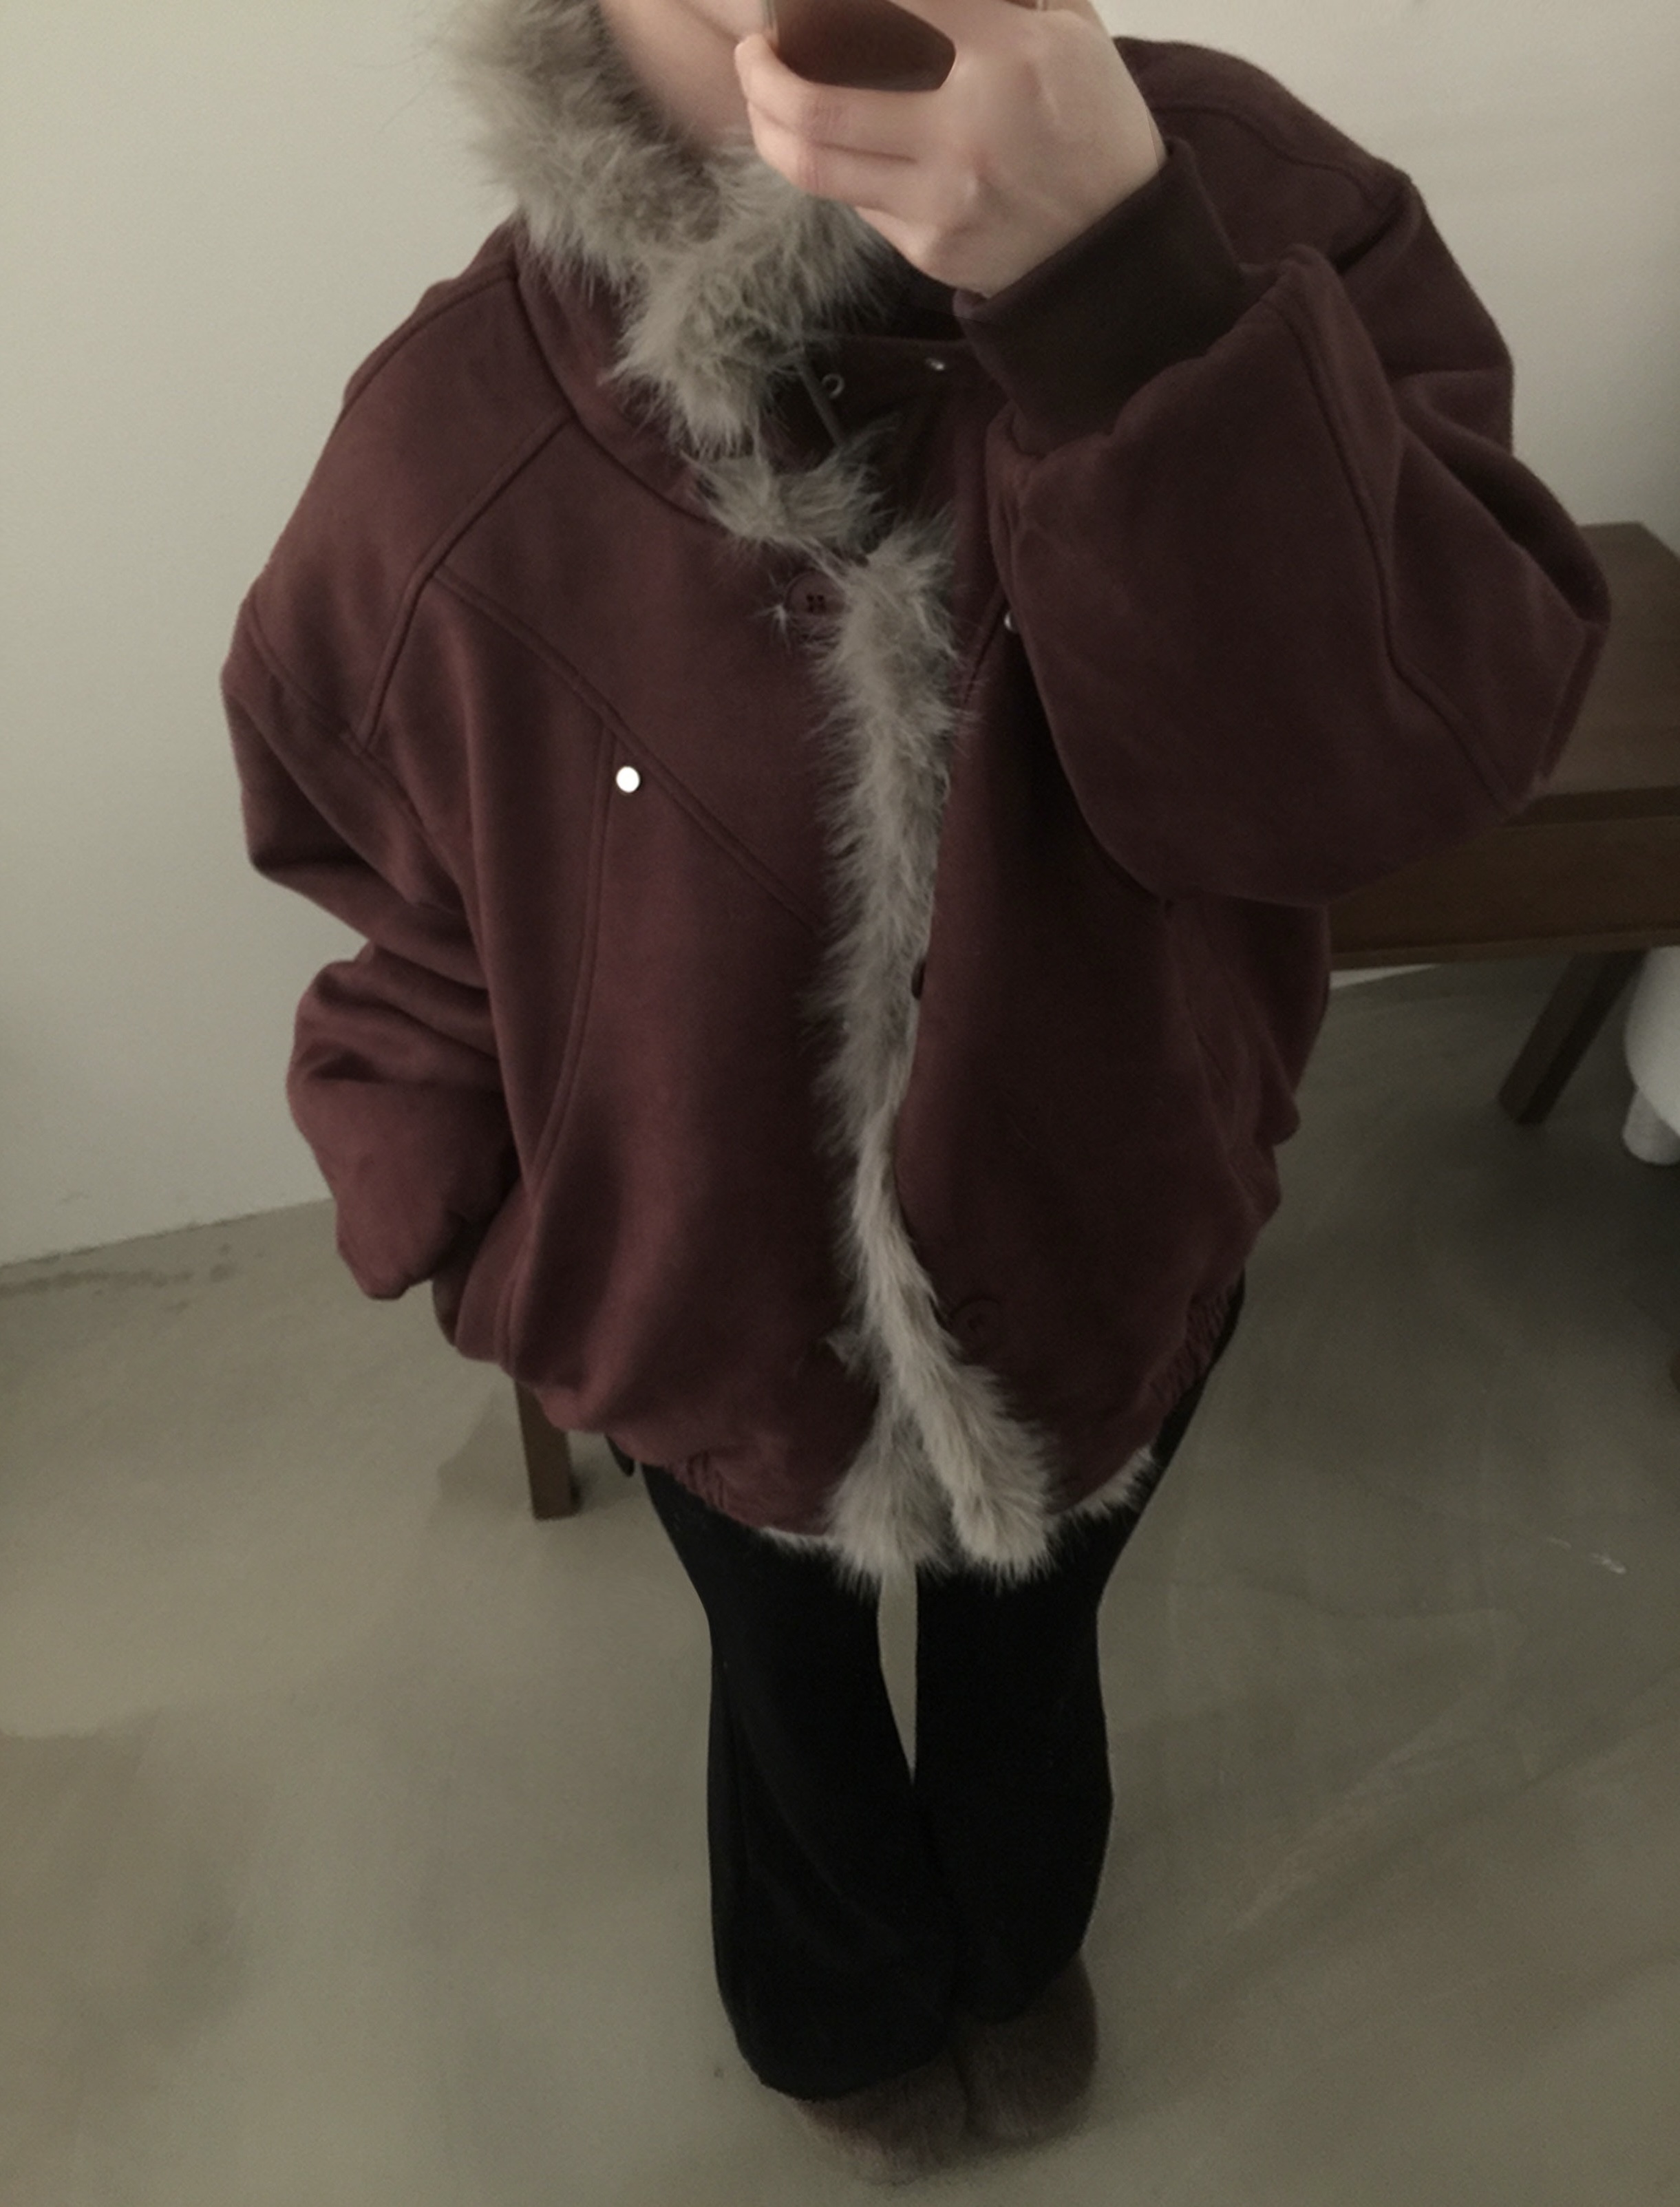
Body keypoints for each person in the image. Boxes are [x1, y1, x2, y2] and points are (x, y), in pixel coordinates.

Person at [220, 0, 1611, 2178]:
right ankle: (833, 1987)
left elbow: (1398, 772)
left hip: (1112, 1236)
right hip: (692, 1308)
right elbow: (386, 876)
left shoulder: (1258, 213)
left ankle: (1012, 1937)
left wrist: (1125, 296)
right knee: (782, 1683)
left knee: (1030, 1648)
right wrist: (477, 1220)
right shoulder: (456, 430)